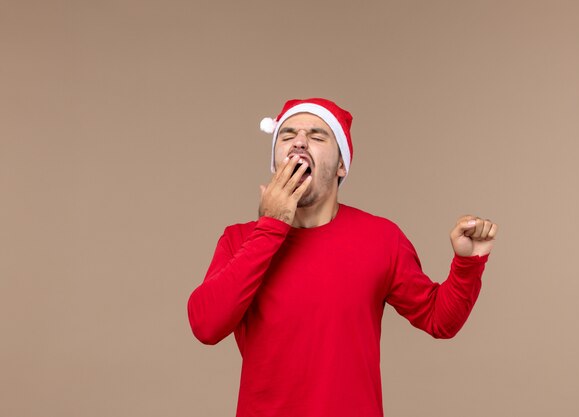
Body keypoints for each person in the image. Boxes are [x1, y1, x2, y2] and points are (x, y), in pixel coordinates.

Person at [187, 98, 498, 417]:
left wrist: (468, 264)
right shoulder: (239, 239)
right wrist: (271, 227)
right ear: (275, 161)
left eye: (318, 136)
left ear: (341, 165)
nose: (299, 141)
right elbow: (206, 325)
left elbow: (440, 320)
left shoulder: (382, 239)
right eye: (287, 134)